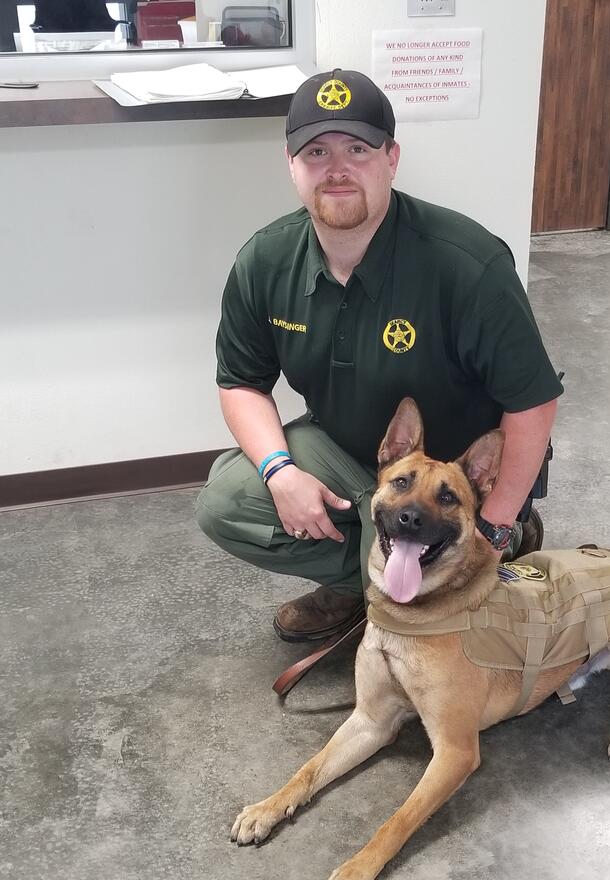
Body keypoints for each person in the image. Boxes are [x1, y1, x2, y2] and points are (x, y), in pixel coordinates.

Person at [196, 68, 563, 644]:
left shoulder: (467, 264)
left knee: (432, 657)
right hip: (348, 450)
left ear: (391, 158)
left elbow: (534, 404)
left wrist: (493, 525)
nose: (336, 168)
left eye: (357, 149)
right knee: (226, 499)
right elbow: (241, 382)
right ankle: (378, 582)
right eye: (315, 151)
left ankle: (493, 545)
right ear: (290, 163)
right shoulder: (265, 262)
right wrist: (280, 471)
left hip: (460, 480)